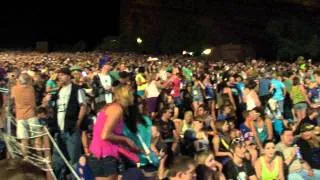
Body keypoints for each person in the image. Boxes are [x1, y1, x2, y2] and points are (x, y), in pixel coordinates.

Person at [88, 85, 139, 180]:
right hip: (105, 153)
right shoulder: (117, 109)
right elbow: (105, 135)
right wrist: (125, 139)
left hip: (98, 153)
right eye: (132, 94)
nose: (133, 97)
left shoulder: (111, 107)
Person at [51, 68, 87, 180]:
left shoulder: (77, 90)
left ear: (68, 76)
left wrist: (78, 122)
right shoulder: (58, 91)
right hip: (59, 129)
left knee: (74, 159)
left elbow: (83, 106)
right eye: (59, 75)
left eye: (62, 75)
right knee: (57, 160)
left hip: (71, 128)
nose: (59, 78)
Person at [11, 73, 41, 158]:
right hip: (31, 115)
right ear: (28, 80)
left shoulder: (14, 88)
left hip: (20, 117)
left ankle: (26, 158)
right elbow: (34, 104)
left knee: (24, 140)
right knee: (37, 137)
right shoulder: (30, 88)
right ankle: (40, 156)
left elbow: (12, 98)